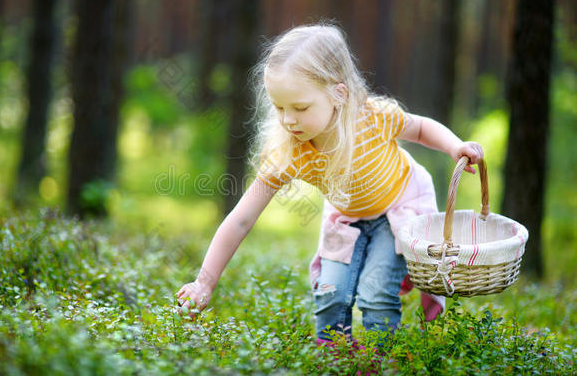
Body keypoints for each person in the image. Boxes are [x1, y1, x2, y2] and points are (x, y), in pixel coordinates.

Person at [176, 24, 484, 346]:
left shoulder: (373, 118)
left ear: (339, 93)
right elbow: (241, 219)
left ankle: (377, 362)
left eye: (300, 107)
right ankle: (335, 361)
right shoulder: (289, 152)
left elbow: (420, 128)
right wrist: (204, 282)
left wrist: (454, 147)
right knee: (330, 295)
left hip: (397, 208)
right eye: (279, 107)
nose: (288, 120)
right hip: (347, 219)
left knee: (376, 294)